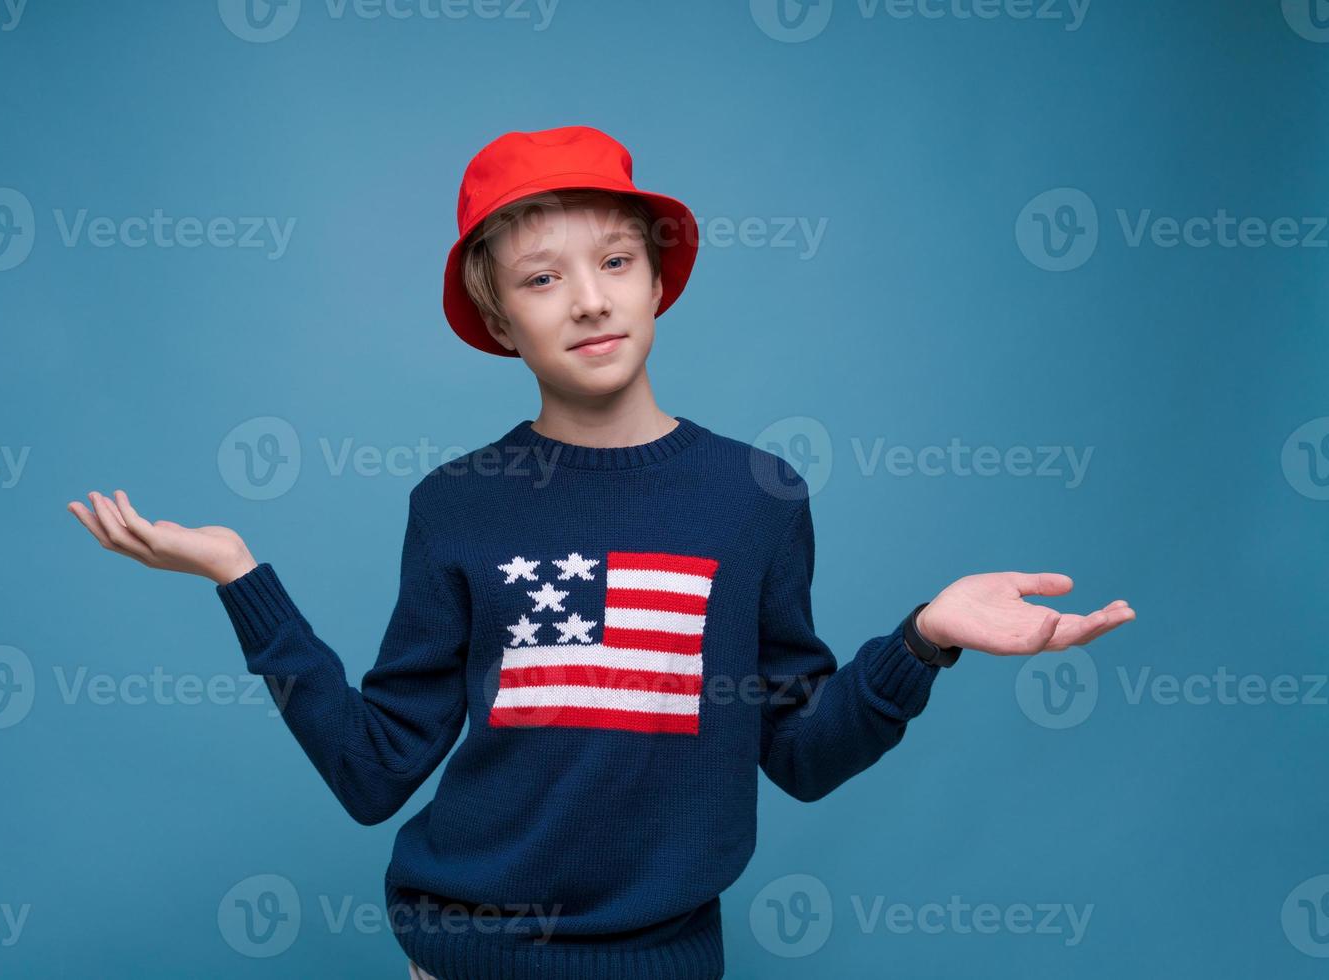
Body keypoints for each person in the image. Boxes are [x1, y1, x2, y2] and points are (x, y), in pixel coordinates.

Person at [66, 125, 1135, 980]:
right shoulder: (456, 505)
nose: (587, 298)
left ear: (657, 277)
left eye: (615, 260)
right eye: (541, 279)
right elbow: (372, 768)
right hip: (464, 962)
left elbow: (802, 754)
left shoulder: (755, 494)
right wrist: (240, 577)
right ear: (496, 316)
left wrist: (924, 638)